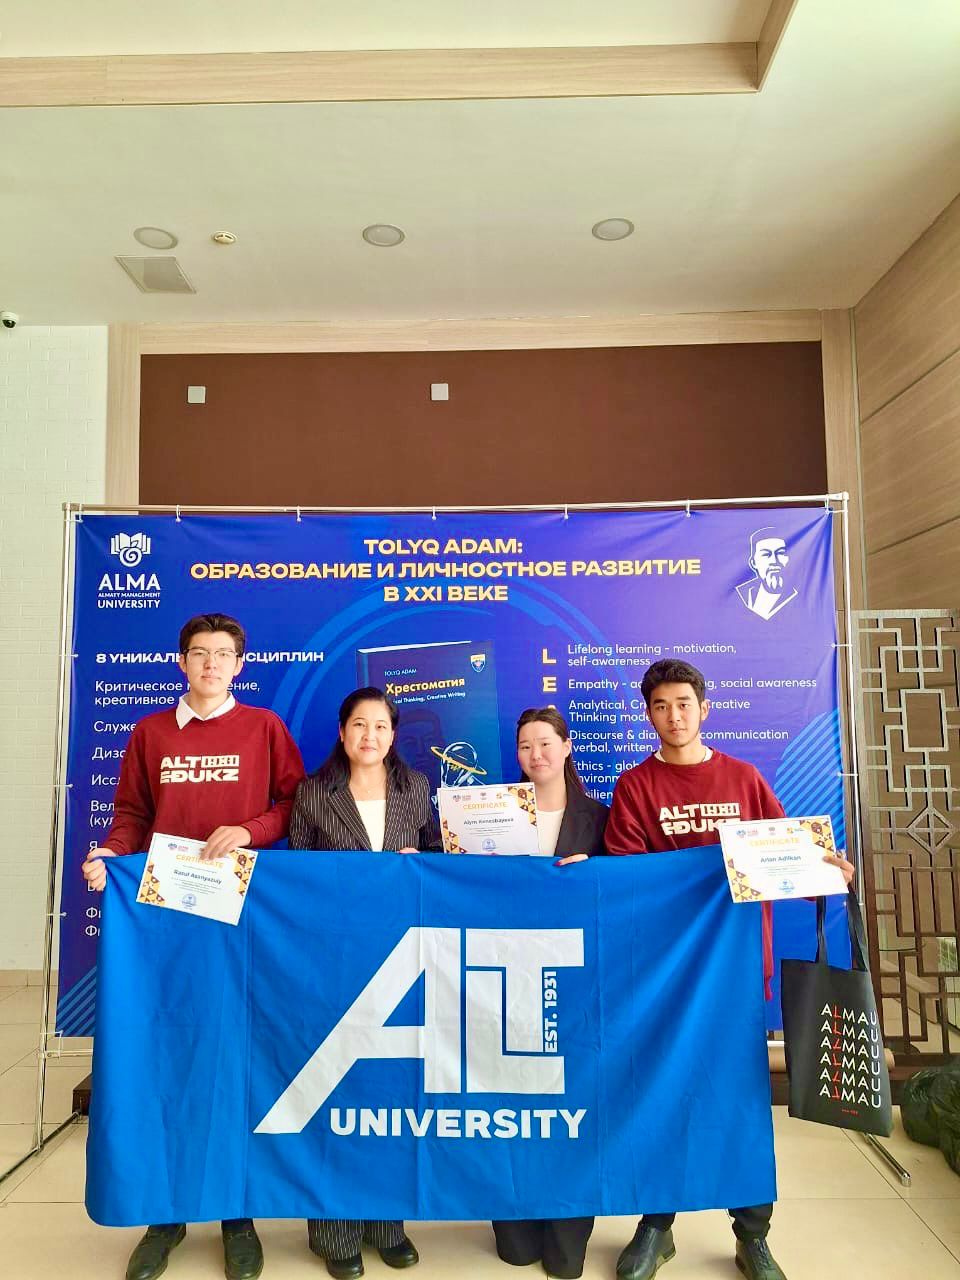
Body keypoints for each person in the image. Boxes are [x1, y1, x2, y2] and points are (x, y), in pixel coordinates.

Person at [558, 659, 854, 1280]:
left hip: (737, 970)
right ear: (648, 714)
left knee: (741, 1102)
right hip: (666, 975)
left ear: (704, 708)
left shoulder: (743, 778)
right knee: (662, 1093)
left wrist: (824, 870)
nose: (674, 716)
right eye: (661, 706)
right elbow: (631, 881)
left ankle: (753, 1234)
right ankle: (656, 1224)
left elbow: (780, 854)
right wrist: (594, 871)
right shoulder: (636, 786)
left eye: (683, 704)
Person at [82, 612, 305, 1280]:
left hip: (240, 918)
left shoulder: (264, 728)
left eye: (223, 654)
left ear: (240, 665)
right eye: (200, 653)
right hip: (165, 917)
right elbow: (132, 816)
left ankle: (237, 1212)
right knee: (168, 1054)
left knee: (237, 1055)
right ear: (182, 662)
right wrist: (110, 855)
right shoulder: (150, 732)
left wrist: (250, 830)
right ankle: (166, 1211)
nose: (211, 664)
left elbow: (294, 804)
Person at [288, 686, 442, 1280]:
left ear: (393, 734)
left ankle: (388, 1224)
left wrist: (418, 859)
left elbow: (440, 860)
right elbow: (298, 877)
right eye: (359, 724)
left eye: (380, 725)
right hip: (334, 959)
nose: (369, 735)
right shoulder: (314, 792)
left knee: (393, 1096)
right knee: (337, 1095)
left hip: (403, 959)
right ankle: (335, 1233)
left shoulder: (417, 788)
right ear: (342, 731)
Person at [491, 706, 608, 1280]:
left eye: (545, 743)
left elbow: (633, 884)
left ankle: (568, 1222)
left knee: (571, 1102)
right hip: (502, 977)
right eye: (525, 746)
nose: (535, 755)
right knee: (508, 1101)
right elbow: (459, 878)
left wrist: (597, 871)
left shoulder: (600, 817)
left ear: (566, 748)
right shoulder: (491, 810)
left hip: (576, 983)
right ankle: (513, 1214)